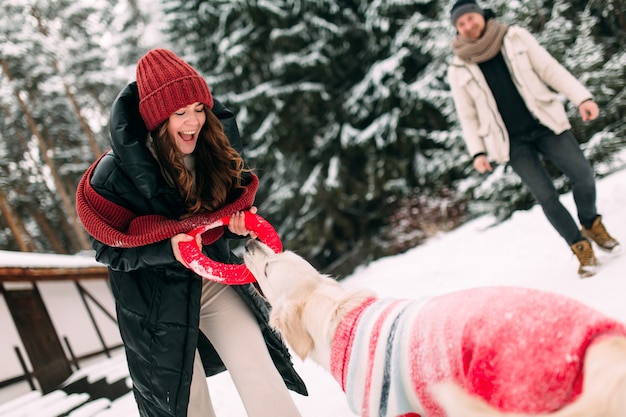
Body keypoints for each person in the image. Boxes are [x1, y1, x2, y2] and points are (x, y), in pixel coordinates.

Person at [76, 48, 307, 417]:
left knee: (259, 368)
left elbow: (221, 208)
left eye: (199, 108)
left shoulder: (211, 149)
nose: (193, 122)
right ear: (155, 119)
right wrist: (168, 247)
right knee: (188, 405)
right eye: (180, 113)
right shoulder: (113, 176)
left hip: (212, 281)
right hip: (153, 305)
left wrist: (235, 221)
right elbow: (110, 250)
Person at [447, 0, 620, 278]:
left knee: (583, 175)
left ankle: (590, 222)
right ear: (457, 30)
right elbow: (467, 116)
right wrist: (477, 153)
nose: (468, 26)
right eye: (461, 24)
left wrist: (581, 97)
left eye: (470, 18)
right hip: (511, 143)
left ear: (481, 15)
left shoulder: (514, 37)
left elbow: (549, 69)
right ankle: (579, 247)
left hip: (545, 122)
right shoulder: (459, 68)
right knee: (547, 197)